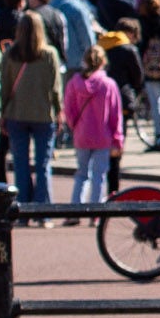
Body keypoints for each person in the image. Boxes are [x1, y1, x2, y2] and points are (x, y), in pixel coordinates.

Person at [0, 10, 62, 209]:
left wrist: (3, 112)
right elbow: (55, 88)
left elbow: (5, 86)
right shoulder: (49, 54)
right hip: (43, 114)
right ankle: (43, 209)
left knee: (21, 165)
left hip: (16, 113)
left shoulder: (10, 54)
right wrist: (59, 110)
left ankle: (23, 207)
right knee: (43, 165)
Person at [63, 40, 124, 205]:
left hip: (82, 134)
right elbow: (115, 115)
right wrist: (117, 139)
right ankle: (96, 211)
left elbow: (68, 109)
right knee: (99, 176)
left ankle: (75, 209)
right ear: (103, 62)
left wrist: (74, 126)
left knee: (82, 174)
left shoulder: (74, 83)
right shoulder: (108, 84)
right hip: (102, 136)